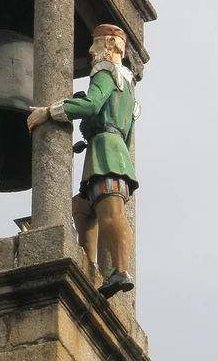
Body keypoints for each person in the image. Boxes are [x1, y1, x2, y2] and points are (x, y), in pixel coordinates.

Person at [27, 24, 140, 298]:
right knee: (82, 206)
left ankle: (121, 270)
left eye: (96, 44)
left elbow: (92, 105)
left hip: (105, 152)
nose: (91, 50)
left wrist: (51, 111)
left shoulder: (104, 74)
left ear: (111, 46)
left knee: (111, 212)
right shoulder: (127, 89)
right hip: (114, 152)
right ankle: (89, 263)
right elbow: (126, 135)